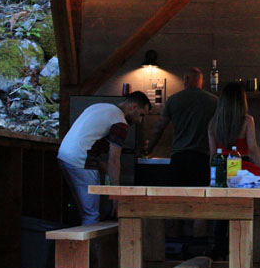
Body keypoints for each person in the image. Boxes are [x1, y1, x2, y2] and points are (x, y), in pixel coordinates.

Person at [58, 91, 151, 224]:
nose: (139, 121)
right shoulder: (119, 122)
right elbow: (114, 159)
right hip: (80, 161)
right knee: (91, 215)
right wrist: (116, 196)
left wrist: (103, 168)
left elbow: (87, 141)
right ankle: (89, 244)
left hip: (64, 156)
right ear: (134, 106)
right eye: (141, 115)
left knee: (83, 210)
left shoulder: (99, 106)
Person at [145, 67, 218, 187]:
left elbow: (159, 128)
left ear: (186, 79)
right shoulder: (214, 101)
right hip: (202, 157)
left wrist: (148, 149)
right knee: (200, 197)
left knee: (177, 198)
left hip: (179, 156)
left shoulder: (173, 100)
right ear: (201, 81)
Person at [208, 82, 260, 167]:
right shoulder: (247, 121)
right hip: (242, 166)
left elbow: (213, 154)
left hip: (222, 166)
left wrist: (213, 174)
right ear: (242, 101)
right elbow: (253, 150)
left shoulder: (213, 122)